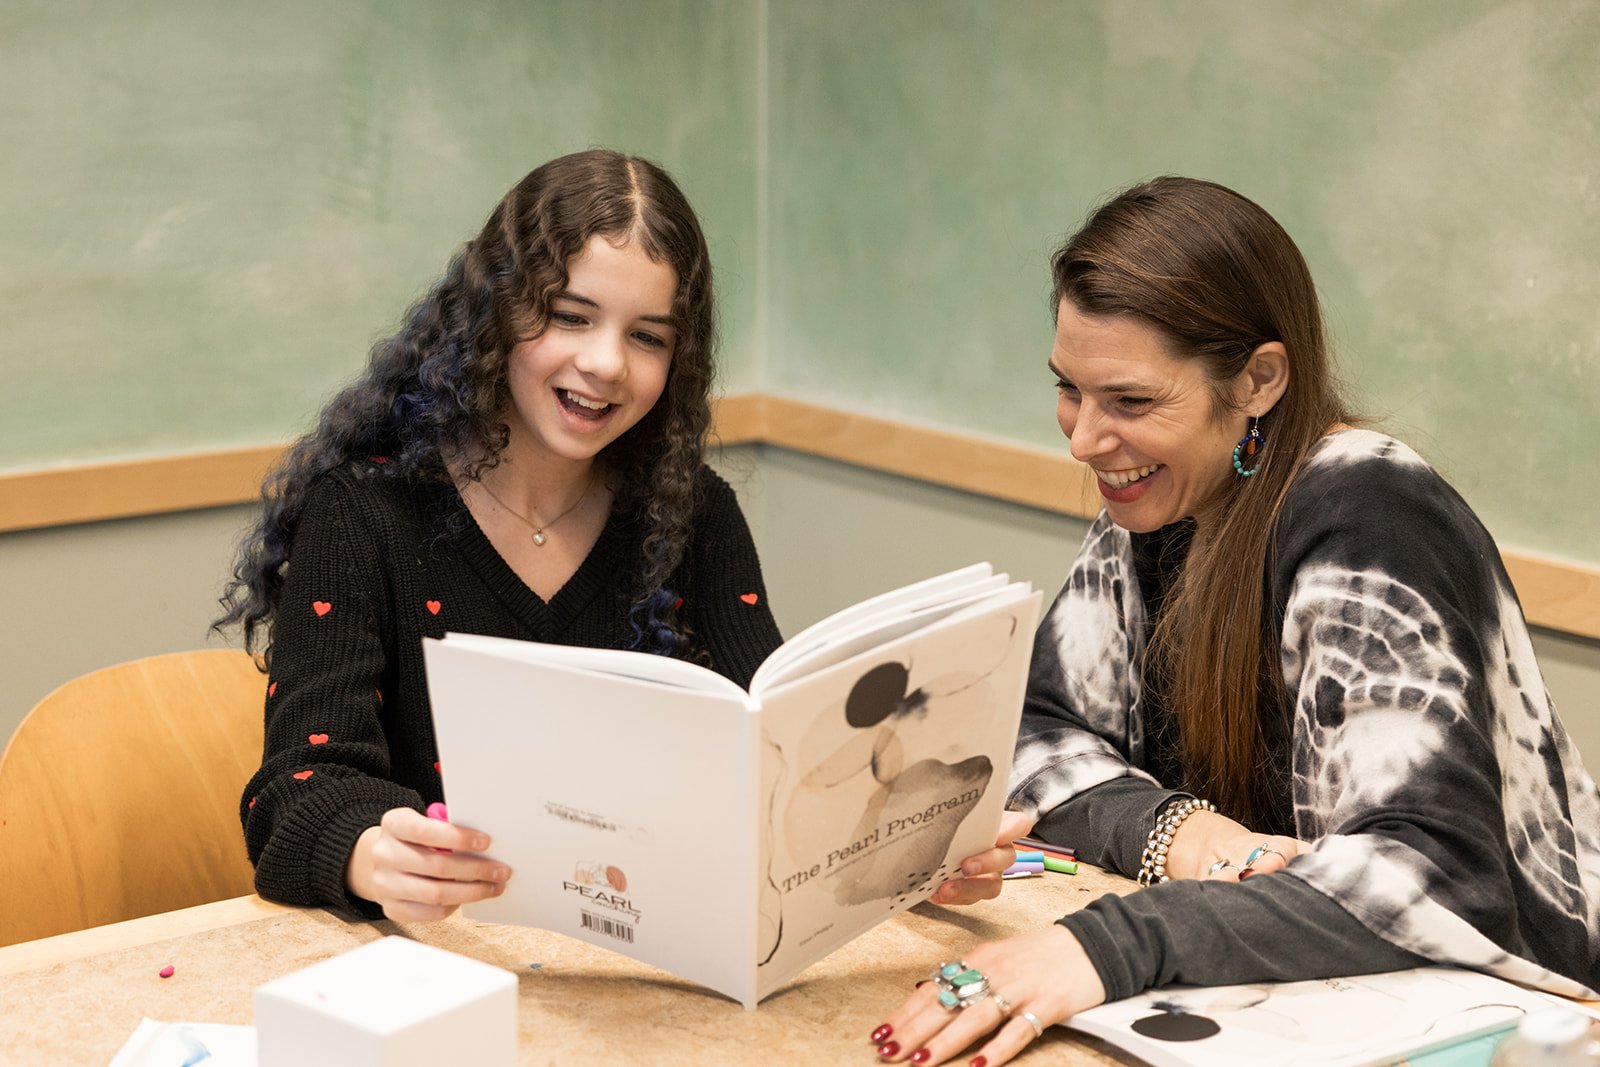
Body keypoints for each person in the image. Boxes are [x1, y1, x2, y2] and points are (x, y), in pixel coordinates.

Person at [870, 177, 1600, 1066]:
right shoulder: (1162, 498)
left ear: (1259, 379)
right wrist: (1180, 835)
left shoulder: (1370, 513)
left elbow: (1430, 878)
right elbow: (1032, 733)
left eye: (1131, 402)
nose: (1083, 440)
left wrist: (1105, 945)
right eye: (1070, 389)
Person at [219, 149, 786, 923]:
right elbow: (298, 791)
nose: (607, 363)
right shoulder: (361, 514)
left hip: (645, 956)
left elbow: (781, 754)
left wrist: (902, 840)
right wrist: (371, 852)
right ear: (496, 308)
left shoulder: (693, 513)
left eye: (649, 336)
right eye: (570, 316)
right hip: (437, 973)